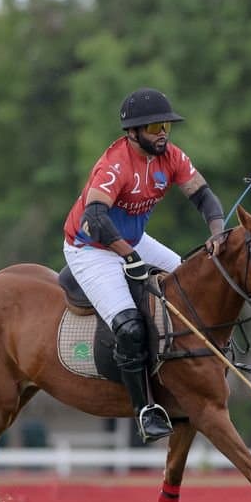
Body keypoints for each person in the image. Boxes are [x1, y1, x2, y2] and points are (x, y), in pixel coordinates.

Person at [62, 88, 226, 442]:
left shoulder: (172, 157)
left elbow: (203, 196)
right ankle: (145, 410)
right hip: (90, 247)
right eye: (154, 127)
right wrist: (128, 256)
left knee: (190, 290)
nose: (163, 132)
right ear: (133, 132)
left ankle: (185, 373)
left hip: (134, 240)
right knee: (131, 326)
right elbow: (95, 218)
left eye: (166, 125)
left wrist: (218, 233)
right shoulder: (115, 165)